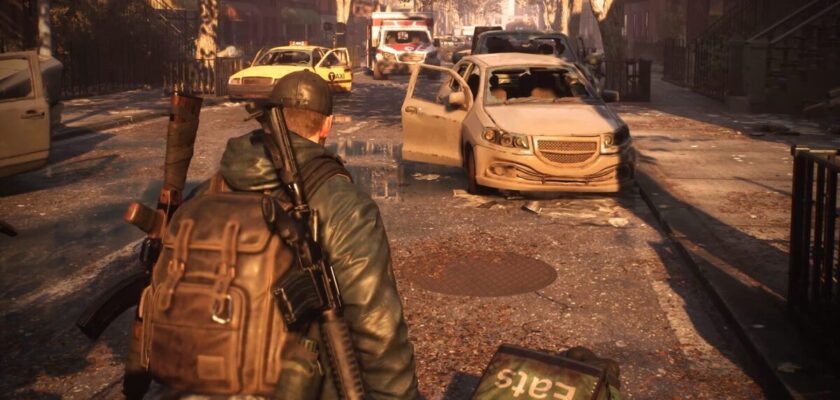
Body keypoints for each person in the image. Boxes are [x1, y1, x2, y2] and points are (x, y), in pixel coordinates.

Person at [129, 70, 420, 400]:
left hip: (193, 380)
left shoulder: (212, 189)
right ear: (327, 125)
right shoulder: (343, 204)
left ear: (267, 122)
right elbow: (377, 330)